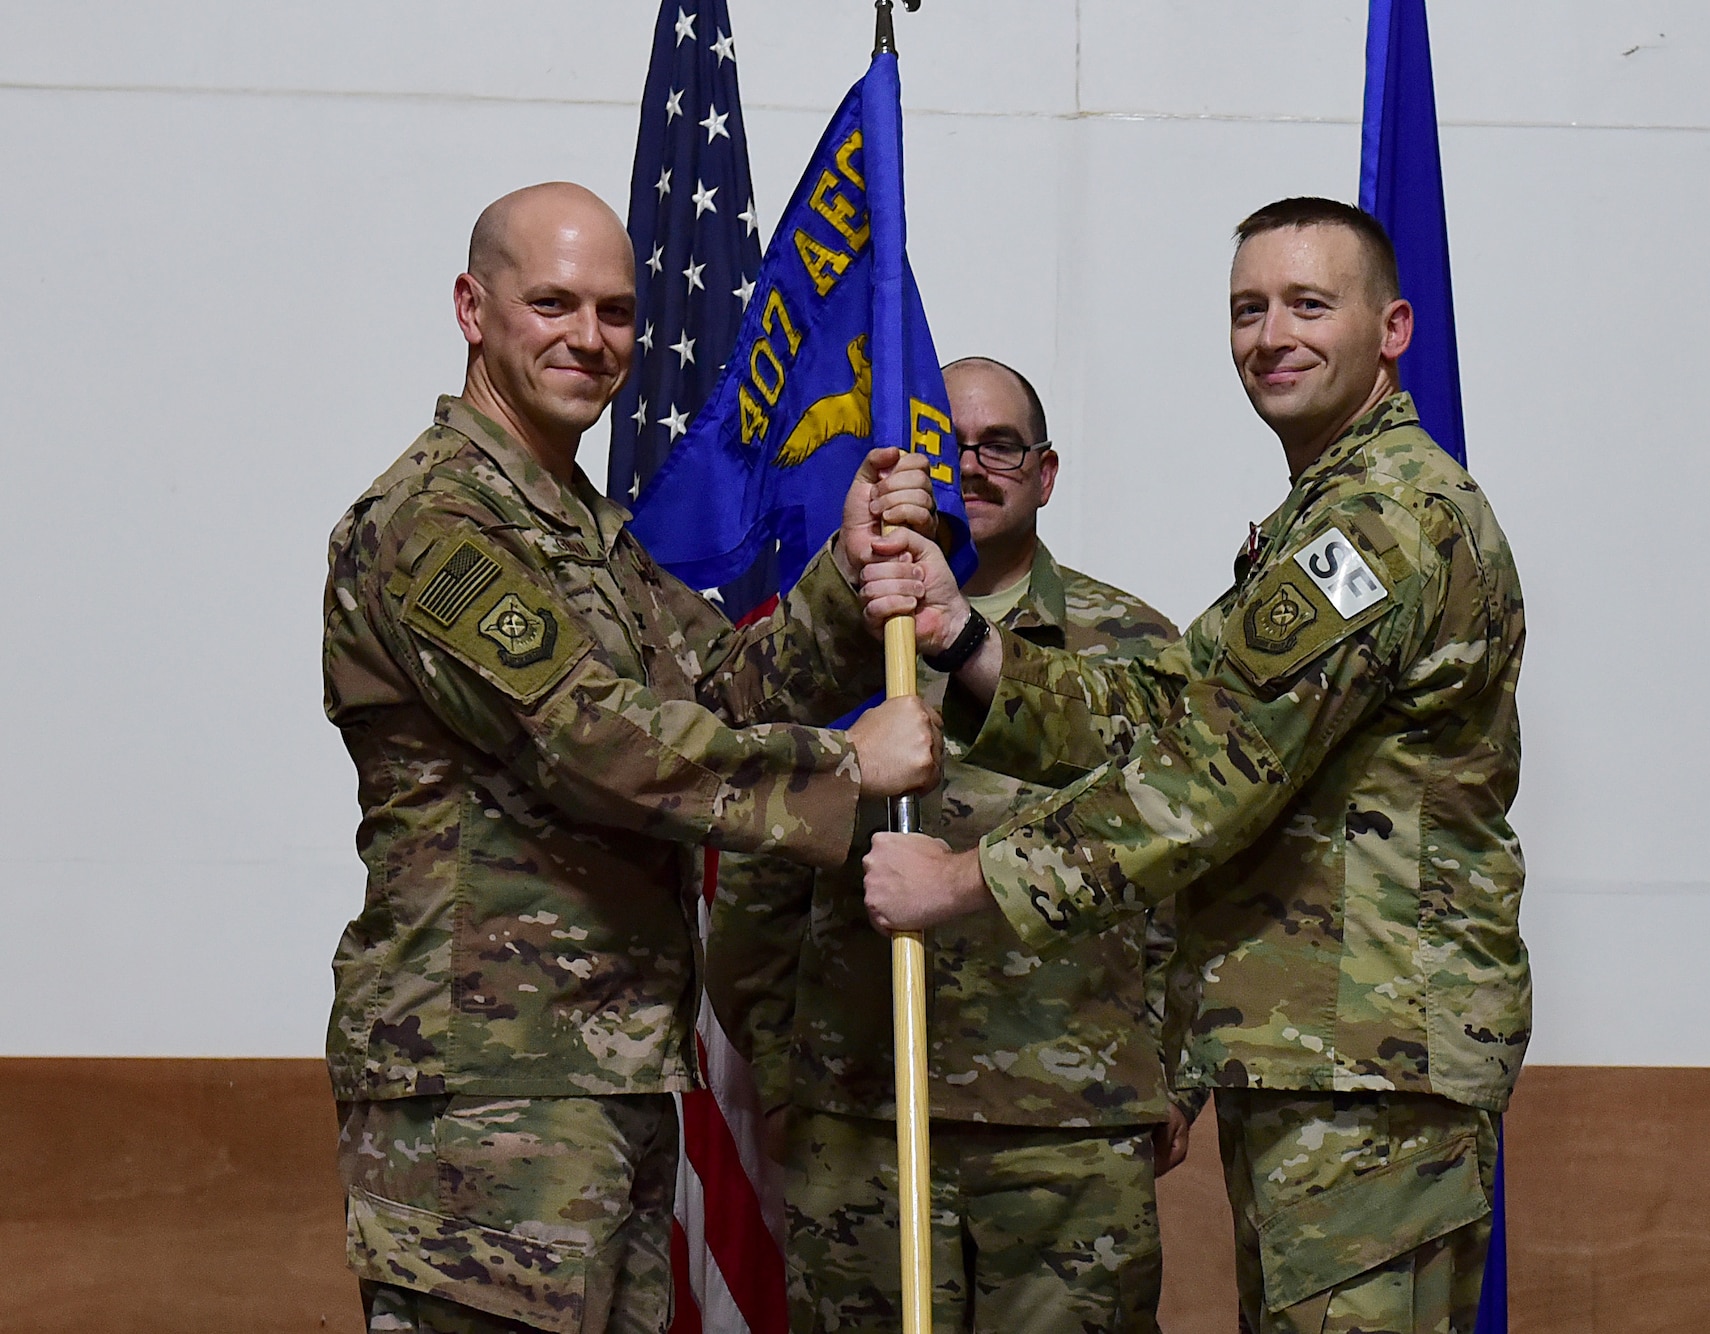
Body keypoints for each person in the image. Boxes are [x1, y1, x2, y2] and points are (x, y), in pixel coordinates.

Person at [857, 198, 1530, 1334]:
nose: (1272, 335)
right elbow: (1170, 707)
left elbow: (1204, 778)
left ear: (1393, 327)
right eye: (1247, 309)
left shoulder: (1381, 521)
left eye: (1309, 304)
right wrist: (963, 642)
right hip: (1326, 1052)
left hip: (1365, 1061)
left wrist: (960, 882)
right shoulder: (1326, 513)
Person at [321, 181, 944, 1334]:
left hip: (602, 1076)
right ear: (473, 306)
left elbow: (714, 690)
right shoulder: (433, 522)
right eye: (551, 302)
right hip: (488, 1096)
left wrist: (843, 585)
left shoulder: (582, 530)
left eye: (614, 311)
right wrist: (842, 770)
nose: (589, 337)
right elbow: (590, 738)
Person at [706, 357, 1189, 1334]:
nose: (971, 466)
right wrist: (789, 1073)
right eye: (945, 445)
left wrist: (1174, 1076)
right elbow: (759, 863)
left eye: (999, 444)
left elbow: (1183, 865)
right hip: (864, 1128)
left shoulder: (1131, 644)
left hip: (1070, 1137)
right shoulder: (848, 633)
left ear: (1045, 472)